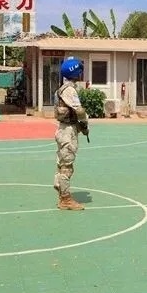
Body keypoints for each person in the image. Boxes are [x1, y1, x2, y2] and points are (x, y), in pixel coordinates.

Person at [53, 57, 89, 210]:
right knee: (67, 166)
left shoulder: (62, 88)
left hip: (64, 129)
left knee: (63, 163)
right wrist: (85, 123)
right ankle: (65, 199)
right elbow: (79, 110)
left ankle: (61, 189)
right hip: (68, 132)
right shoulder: (69, 90)